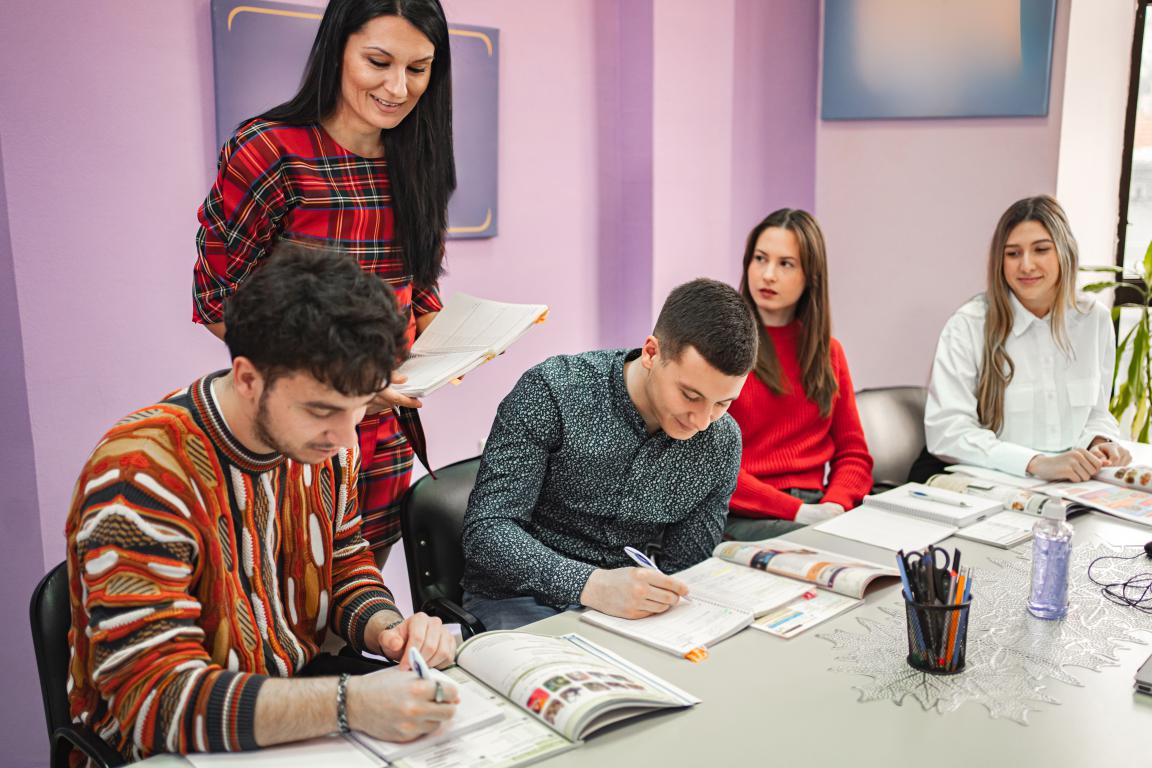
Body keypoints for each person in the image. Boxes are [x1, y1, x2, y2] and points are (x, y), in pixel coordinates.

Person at [66, 244, 459, 764]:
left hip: (297, 718)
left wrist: (386, 629)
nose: (345, 438)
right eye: (323, 410)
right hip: (165, 750)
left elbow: (341, 563)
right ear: (249, 378)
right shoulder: (141, 475)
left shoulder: (320, 443)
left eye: (360, 407)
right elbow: (155, 702)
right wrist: (349, 703)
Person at [193, 0, 456, 565]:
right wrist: (343, 384)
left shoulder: (418, 156)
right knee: (282, 612)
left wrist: (453, 348)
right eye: (378, 61)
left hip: (385, 437)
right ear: (338, 49)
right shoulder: (270, 150)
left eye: (417, 69)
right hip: (291, 430)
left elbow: (420, 287)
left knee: (357, 605)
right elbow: (218, 299)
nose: (397, 87)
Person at [461, 279, 758, 630]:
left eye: (722, 403)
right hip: (518, 598)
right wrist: (591, 585)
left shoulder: (721, 442)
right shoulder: (554, 392)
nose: (702, 421)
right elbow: (487, 531)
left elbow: (687, 568)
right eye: (690, 396)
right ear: (651, 353)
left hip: (629, 610)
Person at [919, 195, 1131, 483]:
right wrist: (1035, 463)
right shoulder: (968, 325)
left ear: (1064, 252)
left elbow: (1097, 412)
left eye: (1041, 249)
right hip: (986, 485)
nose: (1026, 265)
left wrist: (1099, 442)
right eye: (1013, 254)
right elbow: (947, 431)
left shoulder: (1095, 320)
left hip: (1068, 488)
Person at [725, 209, 873, 540]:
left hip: (816, 507)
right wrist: (799, 513)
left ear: (811, 275)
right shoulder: (722, 348)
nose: (768, 275)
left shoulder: (829, 352)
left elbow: (854, 455)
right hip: (743, 512)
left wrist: (833, 506)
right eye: (760, 259)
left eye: (785, 264)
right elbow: (711, 468)